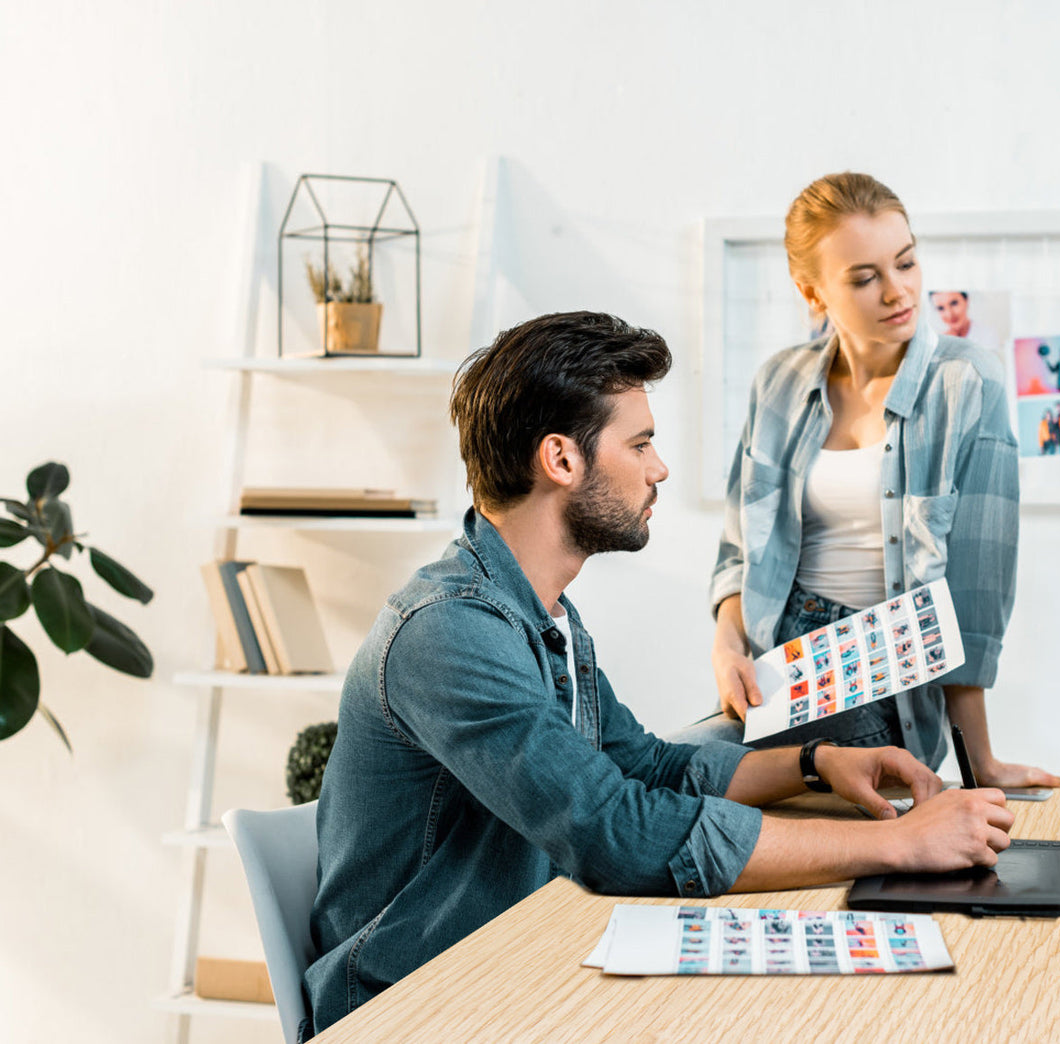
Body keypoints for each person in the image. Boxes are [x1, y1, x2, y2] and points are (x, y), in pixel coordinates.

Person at [301, 311, 1015, 1036]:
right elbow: (614, 831)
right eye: (639, 443)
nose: (659, 468)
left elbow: (642, 768)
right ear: (561, 460)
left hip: (510, 970)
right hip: (410, 1009)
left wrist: (815, 763)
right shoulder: (449, 631)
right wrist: (895, 844)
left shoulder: (542, 617)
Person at [688, 172, 1060, 793]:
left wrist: (980, 765)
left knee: (659, 777)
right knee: (654, 776)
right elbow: (738, 551)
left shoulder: (968, 383)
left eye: (907, 262)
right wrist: (726, 647)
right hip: (776, 668)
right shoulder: (778, 382)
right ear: (812, 292)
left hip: (882, 675)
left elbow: (973, 595)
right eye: (865, 278)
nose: (899, 292)